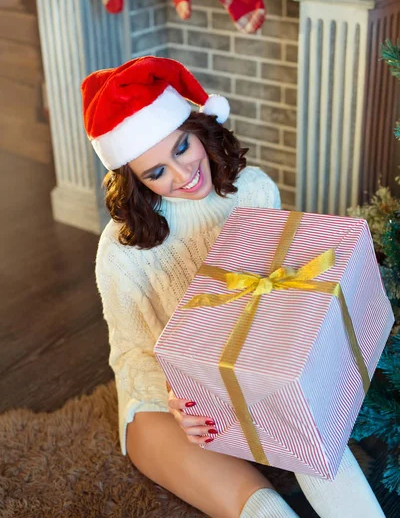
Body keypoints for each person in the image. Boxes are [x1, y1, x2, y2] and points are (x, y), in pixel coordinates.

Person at [81, 56, 385, 518]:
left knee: (317, 444)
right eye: (156, 172)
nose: (183, 175)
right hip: (172, 403)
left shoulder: (255, 190)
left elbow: (278, 303)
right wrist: (175, 400)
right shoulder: (121, 251)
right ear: (136, 183)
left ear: (200, 129)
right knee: (264, 508)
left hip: (252, 371)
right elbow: (131, 351)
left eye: (182, 147)